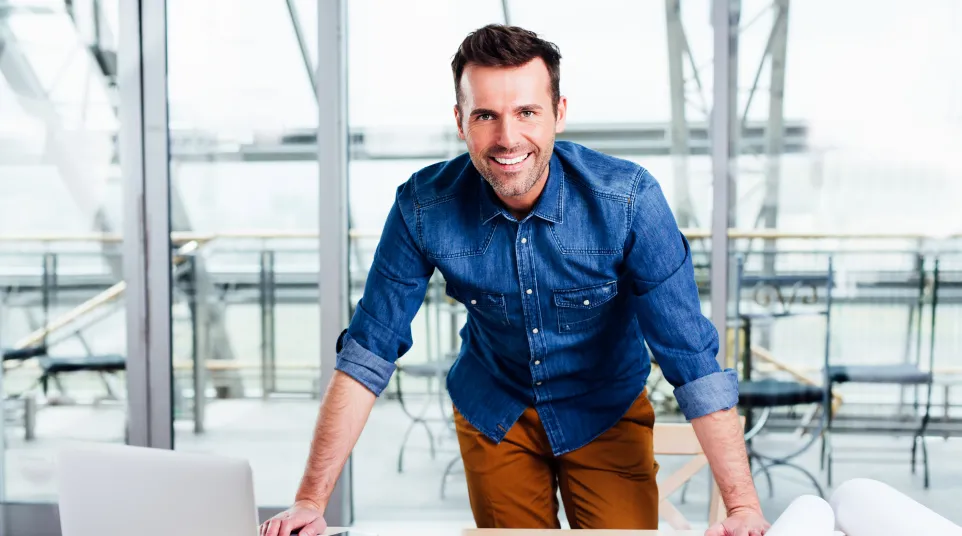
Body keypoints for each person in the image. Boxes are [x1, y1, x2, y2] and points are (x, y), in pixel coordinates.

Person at [261, 24, 769, 536]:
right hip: (495, 408)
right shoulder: (421, 207)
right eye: (486, 115)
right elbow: (368, 354)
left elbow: (692, 359)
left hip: (604, 409)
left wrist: (742, 507)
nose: (507, 139)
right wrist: (309, 501)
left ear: (558, 115)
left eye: (527, 112)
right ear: (461, 121)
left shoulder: (629, 202)